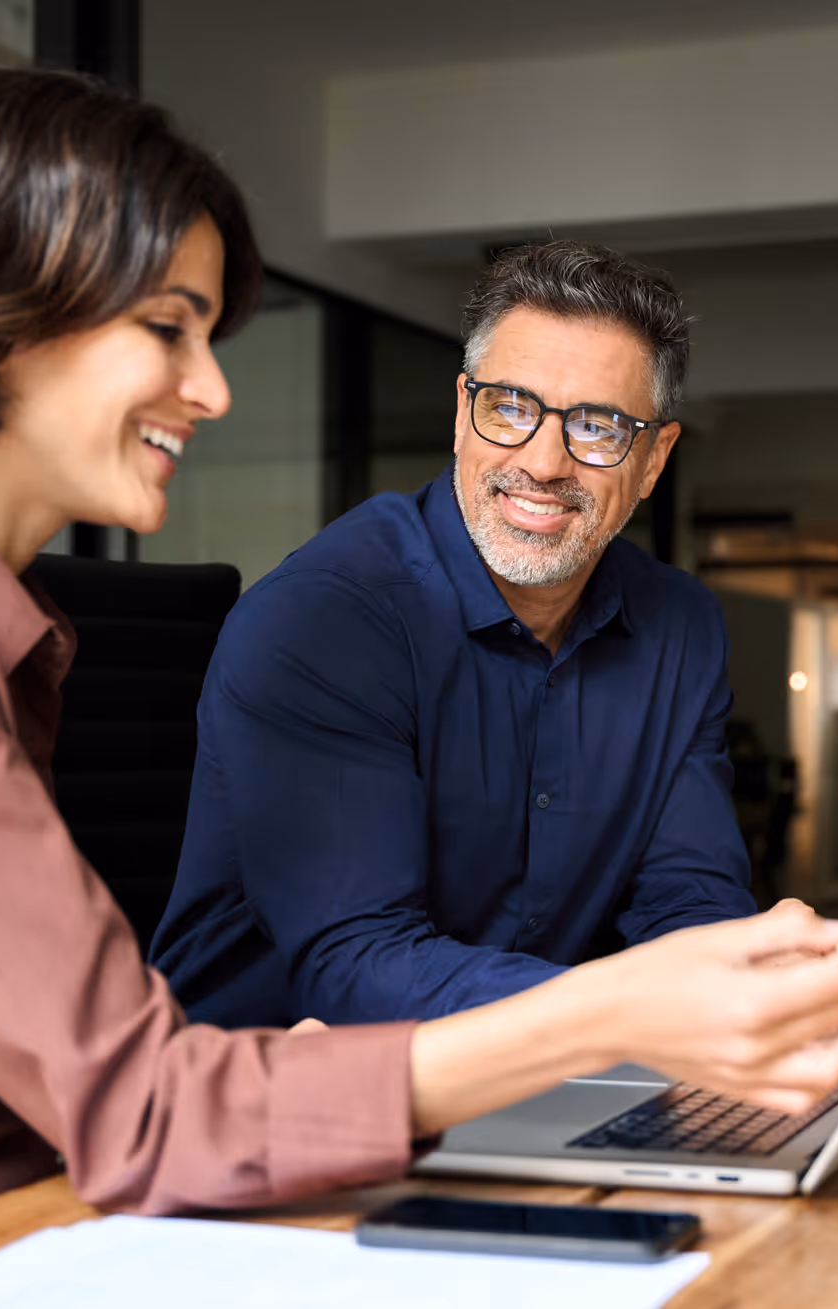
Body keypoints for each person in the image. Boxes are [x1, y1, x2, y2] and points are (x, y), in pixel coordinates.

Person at [0, 68, 838, 1255]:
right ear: (2, 321)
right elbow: (145, 1103)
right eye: (168, 329)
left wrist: (706, 992)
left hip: (27, 1209)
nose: (213, 390)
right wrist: (620, 1011)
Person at [152, 241, 766, 1029]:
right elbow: (358, 968)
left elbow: (691, 900)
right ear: (460, 413)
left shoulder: (679, 627)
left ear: (653, 460)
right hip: (275, 1098)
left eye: (599, 427)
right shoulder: (324, 618)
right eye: (509, 406)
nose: (543, 462)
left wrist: (747, 988)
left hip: (543, 1080)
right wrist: (630, 1009)